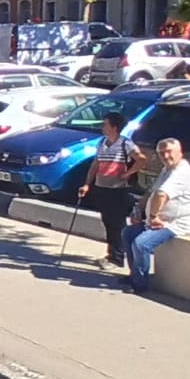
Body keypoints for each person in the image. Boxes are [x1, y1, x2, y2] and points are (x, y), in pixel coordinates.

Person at [122, 137, 190, 294]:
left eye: (169, 152)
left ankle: (140, 285)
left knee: (141, 243)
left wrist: (153, 216)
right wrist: (138, 210)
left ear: (180, 152)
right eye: (161, 153)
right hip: (160, 221)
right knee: (128, 233)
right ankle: (134, 275)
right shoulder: (167, 170)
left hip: (175, 224)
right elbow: (151, 192)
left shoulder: (181, 172)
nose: (165, 156)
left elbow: (161, 194)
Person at [76, 113, 141, 270]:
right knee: (107, 222)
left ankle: (117, 258)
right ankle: (111, 254)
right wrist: (87, 184)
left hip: (117, 189)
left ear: (114, 127)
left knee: (116, 223)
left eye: (105, 124)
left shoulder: (126, 143)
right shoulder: (102, 143)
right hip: (102, 187)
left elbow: (141, 159)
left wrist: (128, 173)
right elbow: (95, 164)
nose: (102, 127)